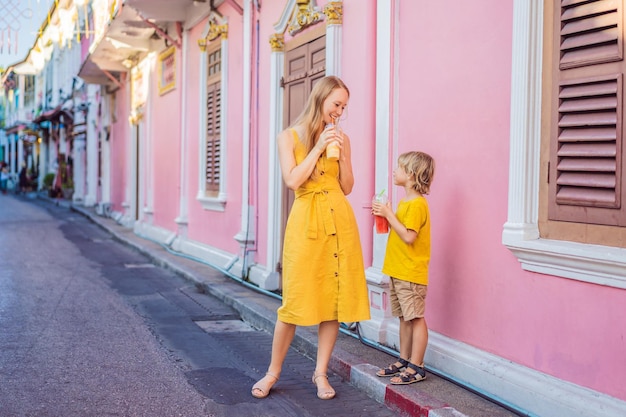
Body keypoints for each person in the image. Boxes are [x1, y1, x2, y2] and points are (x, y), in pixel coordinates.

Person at [251, 76, 370, 400]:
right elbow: (292, 180)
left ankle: (321, 373)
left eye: (344, 106)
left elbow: (347, 186)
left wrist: (343, 156)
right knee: (294, 301)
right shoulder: (288, 137)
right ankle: (272, 372)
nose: (340, 112)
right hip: (306, 222)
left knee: (332, 303)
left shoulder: (342, 138)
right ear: (320, 100)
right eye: (336, 104)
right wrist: (318, 147)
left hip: (339, 222)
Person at [372, 151, 435, 385]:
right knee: (403, 318)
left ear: (410, 175)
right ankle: (404, 360)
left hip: (411, 272)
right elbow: (399, 233)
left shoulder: (417, 204)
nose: (394, 172)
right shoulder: (404, 202)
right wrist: (386, 216)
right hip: (398, 270)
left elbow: (409, 237)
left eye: (399, 168)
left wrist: (388, 214)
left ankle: (417, 366)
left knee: (416, 317)